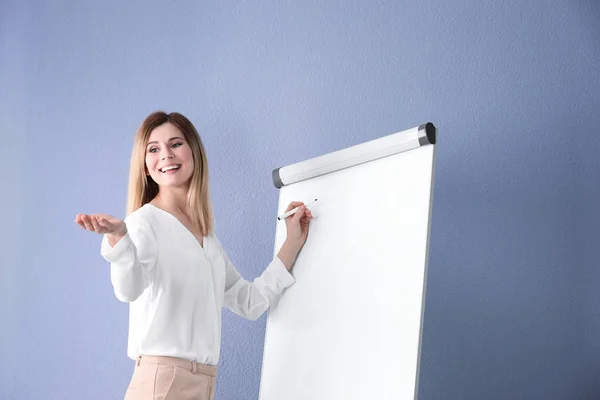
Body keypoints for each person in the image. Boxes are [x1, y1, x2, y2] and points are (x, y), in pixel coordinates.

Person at [75, 111, 313, 400]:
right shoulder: (143, 222)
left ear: (193, 153)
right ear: (146, 167)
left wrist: (292, 243)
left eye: (175, 144)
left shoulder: (206, 237)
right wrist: (119, 238)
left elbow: (248, 302)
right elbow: (128, 289)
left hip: (203, 382)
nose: (166, 155)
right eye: (153, 149)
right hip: (162, 382)